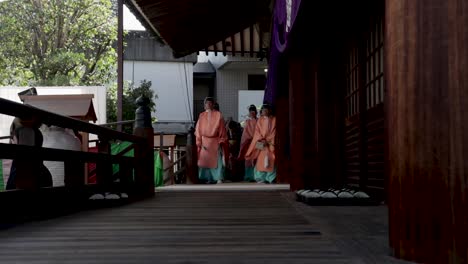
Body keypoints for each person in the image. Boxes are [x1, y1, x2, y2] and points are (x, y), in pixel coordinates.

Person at [195, 97, 228, 184]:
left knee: (217, 160)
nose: (208, 104)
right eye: (207, 103)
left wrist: (222, 139)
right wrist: (198, 141)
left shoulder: (218, 114)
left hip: (215, 141)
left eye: (210, 103)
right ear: (204, 105)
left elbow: (222, 128)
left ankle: (219, 177)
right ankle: (207, 178)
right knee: (205, 160)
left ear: (213, 105)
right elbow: (198, 130)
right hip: (204, 141)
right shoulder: (201, 115)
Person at [245, 104, 276, 183]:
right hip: (261, 142)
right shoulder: (260, 120)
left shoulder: (274, 119)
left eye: (266, 110)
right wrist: (261, 140)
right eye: (263, 110)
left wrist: (268, 140)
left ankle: (271, 178)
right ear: (261, 111)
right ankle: (261, 178)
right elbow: (257, 132)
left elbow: (274, 132)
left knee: (272, 159)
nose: (265, 111)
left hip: (270, 143)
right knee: (260, 160)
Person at [238, 105, 258, 182]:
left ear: (256, 112)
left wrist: (257, 139)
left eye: (253, 111)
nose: (252, 113)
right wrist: (247, 140)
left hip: (257, 142)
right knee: (248, 160)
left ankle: (256, 176)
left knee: (257, 158)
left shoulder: (259, 121)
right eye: (250, 112)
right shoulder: (247, 122)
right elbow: (244, 134)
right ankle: (248, 176)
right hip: (248, 143)